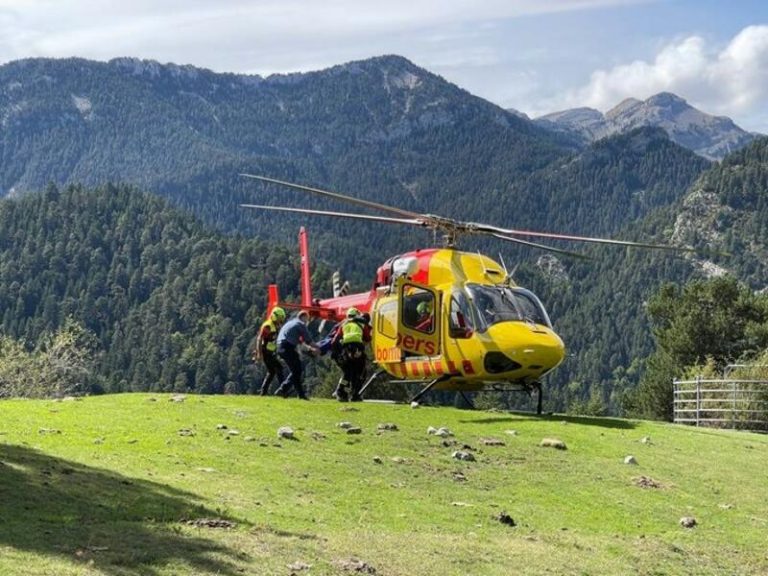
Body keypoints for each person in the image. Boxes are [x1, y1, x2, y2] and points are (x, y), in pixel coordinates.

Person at [273, 310, 319, 400]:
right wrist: (318, 348)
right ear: (304, 317)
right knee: (297, 370)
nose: (307, 321)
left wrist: (309, 349)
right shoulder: (300, 324)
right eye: (307, 319)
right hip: (288, 347)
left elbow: (301, 342)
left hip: (280, 347)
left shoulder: (290, 323)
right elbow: (309, 341)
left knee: (295, 371)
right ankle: (283, 389)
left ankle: (299, 394)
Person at [331, 307, 371, 402]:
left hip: (346, 350)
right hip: (358, 349)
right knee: (361, 373)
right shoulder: (362, 323)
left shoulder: (343, 324)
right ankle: (355, 394)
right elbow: (368, 338)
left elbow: (334, 340)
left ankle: (341, 393)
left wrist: (337, 352)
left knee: (348, 372)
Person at [253, 306, 286, 396]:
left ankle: (263, 392)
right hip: (265, 351)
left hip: (270, 351)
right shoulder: (268, 326)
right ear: (275, 316)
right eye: (280, 318)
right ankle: (283, 390)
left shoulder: (275, 325)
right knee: (279, 368)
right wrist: (259, 353)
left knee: (272, 371)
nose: (281, 320)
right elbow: (259, 339)